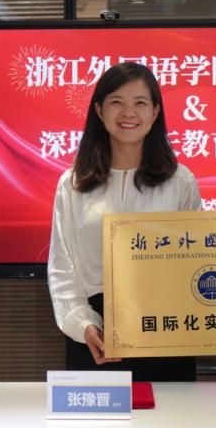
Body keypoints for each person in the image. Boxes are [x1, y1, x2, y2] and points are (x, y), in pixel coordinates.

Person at [47, 62, 200, 381]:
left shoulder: (180, 181)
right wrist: (83, 324)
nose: (128, 113)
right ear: (99, 110)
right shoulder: (73, 183)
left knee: (170, 411)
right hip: (96, 333)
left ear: (155, 112)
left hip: (166, 327)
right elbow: (63, 267)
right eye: (116, 102)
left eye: (140, 103)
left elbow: (197, 258)